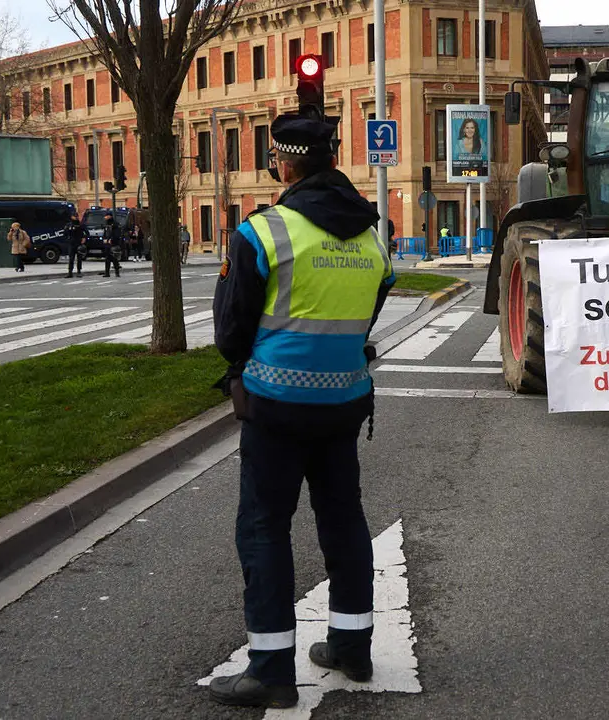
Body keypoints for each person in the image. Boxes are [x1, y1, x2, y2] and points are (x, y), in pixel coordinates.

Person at [208, 112, 396, 709]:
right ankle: (351, 647)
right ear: (331, 159)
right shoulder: (373, 236)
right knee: (343, 521)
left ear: (284, 166)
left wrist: (244, 364)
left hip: (275, 405)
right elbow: (367, 315)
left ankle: (270, 670)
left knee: (264, 528)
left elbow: (230, 330)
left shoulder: (264, 233)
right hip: (342, 403)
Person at [65, 214, 86, 278]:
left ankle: (79, 271)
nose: (76, 217)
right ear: (71, 217)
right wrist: (68, 238)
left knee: (79, 258)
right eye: (74, 216)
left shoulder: (80, 224)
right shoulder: (69, 225)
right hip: (71, 243)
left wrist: (84, 238)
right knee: (71, 258)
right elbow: (65, 233)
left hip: (79, 243)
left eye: (77, 216)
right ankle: (70, 272)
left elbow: (86, 232)